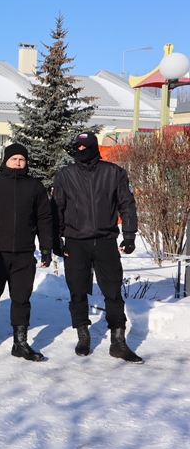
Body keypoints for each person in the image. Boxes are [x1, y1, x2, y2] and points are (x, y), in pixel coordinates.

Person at [52, 132, 142, 363]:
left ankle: (118, 341)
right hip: (75, 242)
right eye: (78, 147)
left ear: (95, 148)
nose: (81, 150)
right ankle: (83, 334)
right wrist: (55, 239)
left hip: (105, 241)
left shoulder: (114, 173)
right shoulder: (65, 175)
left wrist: (129, 235)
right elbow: (57, 209)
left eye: (86, 146)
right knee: (77, 290)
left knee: (113, 291)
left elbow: (127, 204)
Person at [0, 143, 52, 361]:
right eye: (14, 159)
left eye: (21, 159)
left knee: (22, 298)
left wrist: (46, 248)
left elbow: (44, 218)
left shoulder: (35, 186)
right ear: (5, 160)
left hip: (24, 254)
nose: (18, 163)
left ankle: (20, 343)